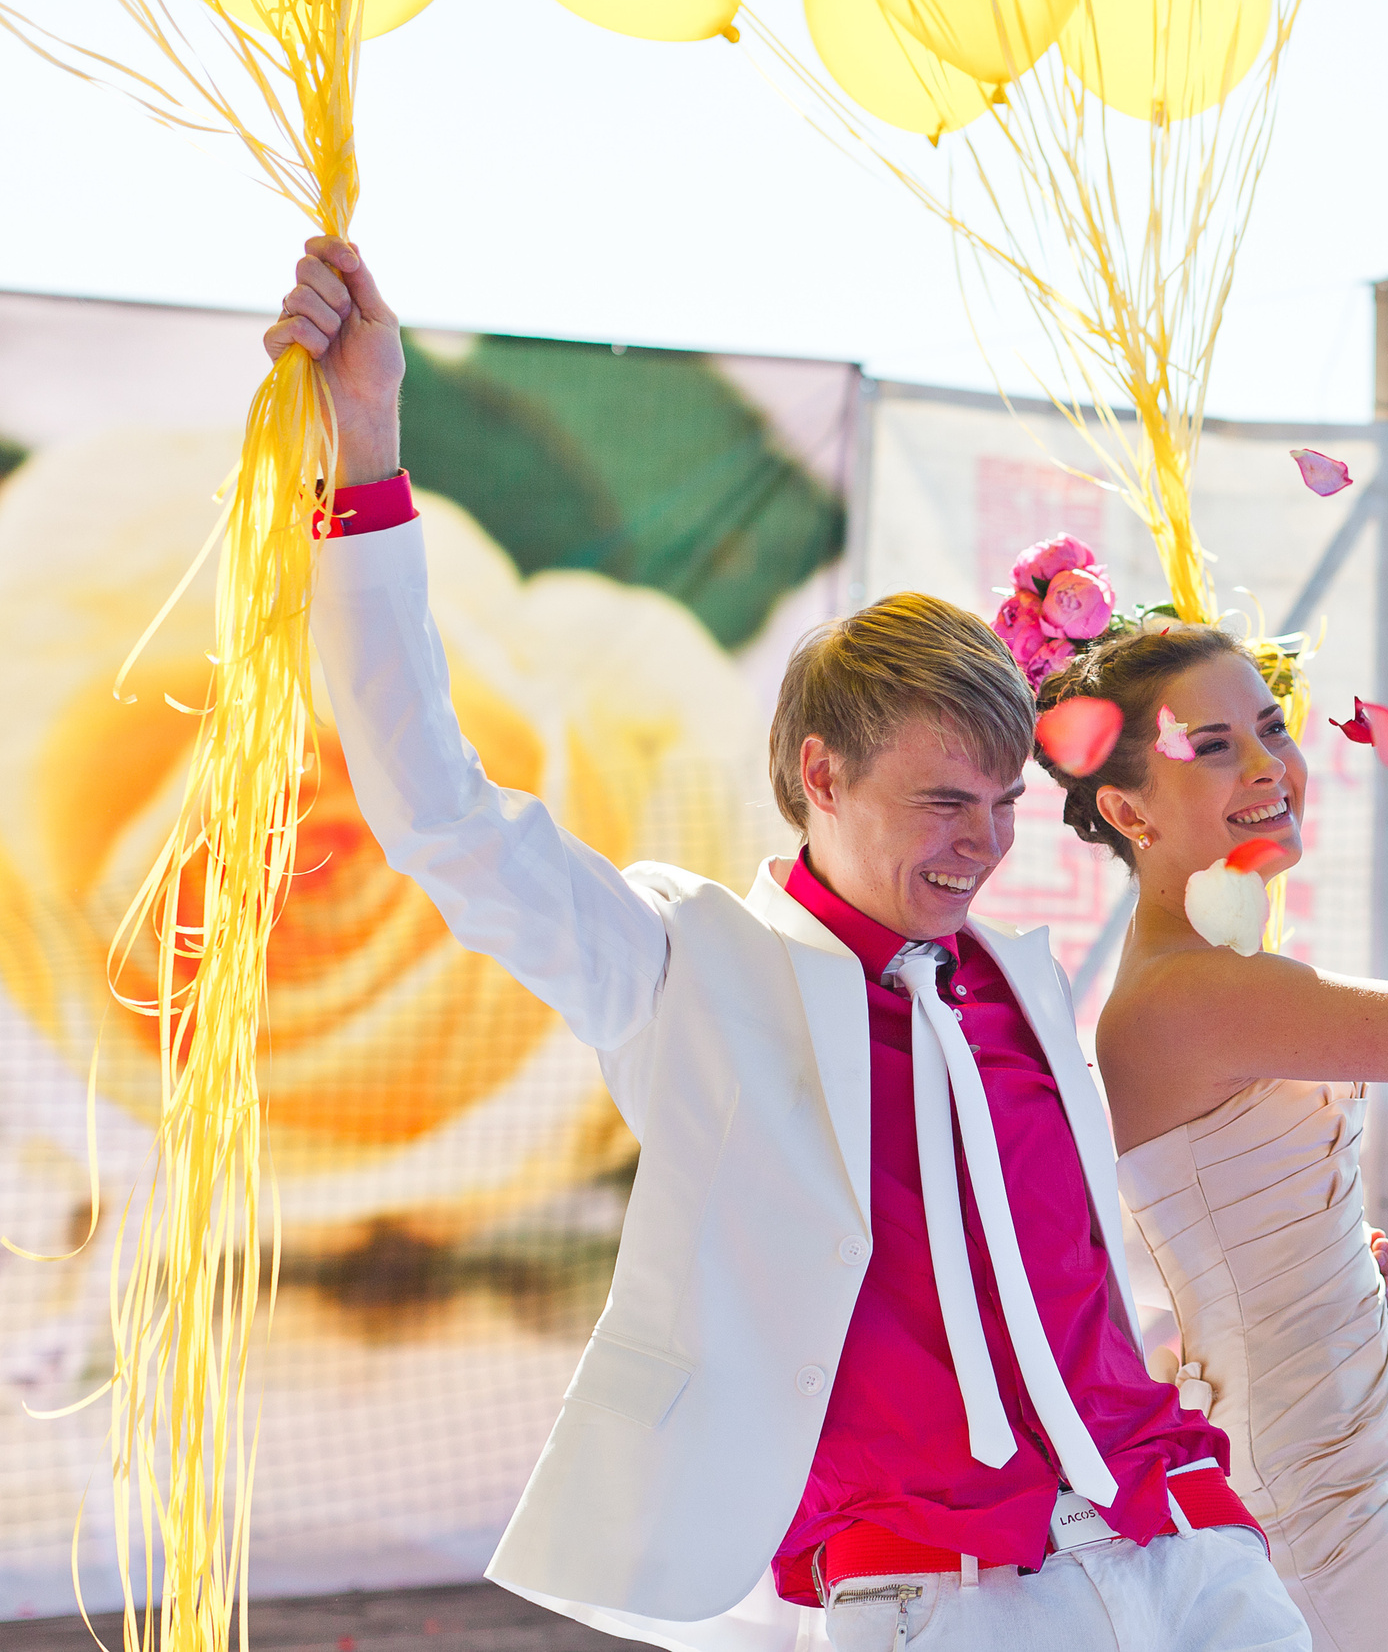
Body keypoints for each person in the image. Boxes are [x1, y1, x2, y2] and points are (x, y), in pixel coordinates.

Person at [270, 237, 1311, 1652]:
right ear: (820, 773)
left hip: (1184, 1540)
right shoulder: (684, 963)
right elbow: (442, 815)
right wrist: (369, 442)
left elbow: (1050, 1247)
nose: (983, 842)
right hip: (935, 1592)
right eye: (942, 800)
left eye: (1005, 803)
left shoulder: (1010, 973)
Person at [1025, 622, 1388, 1652]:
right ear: (1124, 810)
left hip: (1340, 1451)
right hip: (1301, 1489)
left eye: (1268, 728)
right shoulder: (1195, 992)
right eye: (1210, 747)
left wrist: (1334, 1263)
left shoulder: (1201, 978)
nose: (1267, 765)